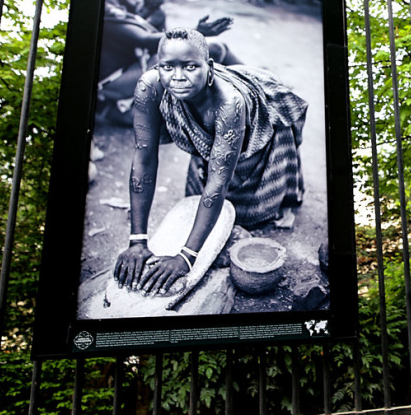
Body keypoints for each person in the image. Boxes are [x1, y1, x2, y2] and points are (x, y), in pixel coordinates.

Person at [113, 28, 308, 296]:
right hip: (219, 129)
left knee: (247, 205)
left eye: (191, 66)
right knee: (203, 185)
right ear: (158, 66)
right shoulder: (149, 86)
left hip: (261, 115)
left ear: (210, 67)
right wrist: (137, 241)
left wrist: (186, 257)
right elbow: (144, 158)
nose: (178, 77)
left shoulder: (229, 104)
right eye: (168, 67)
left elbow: (218, 183)